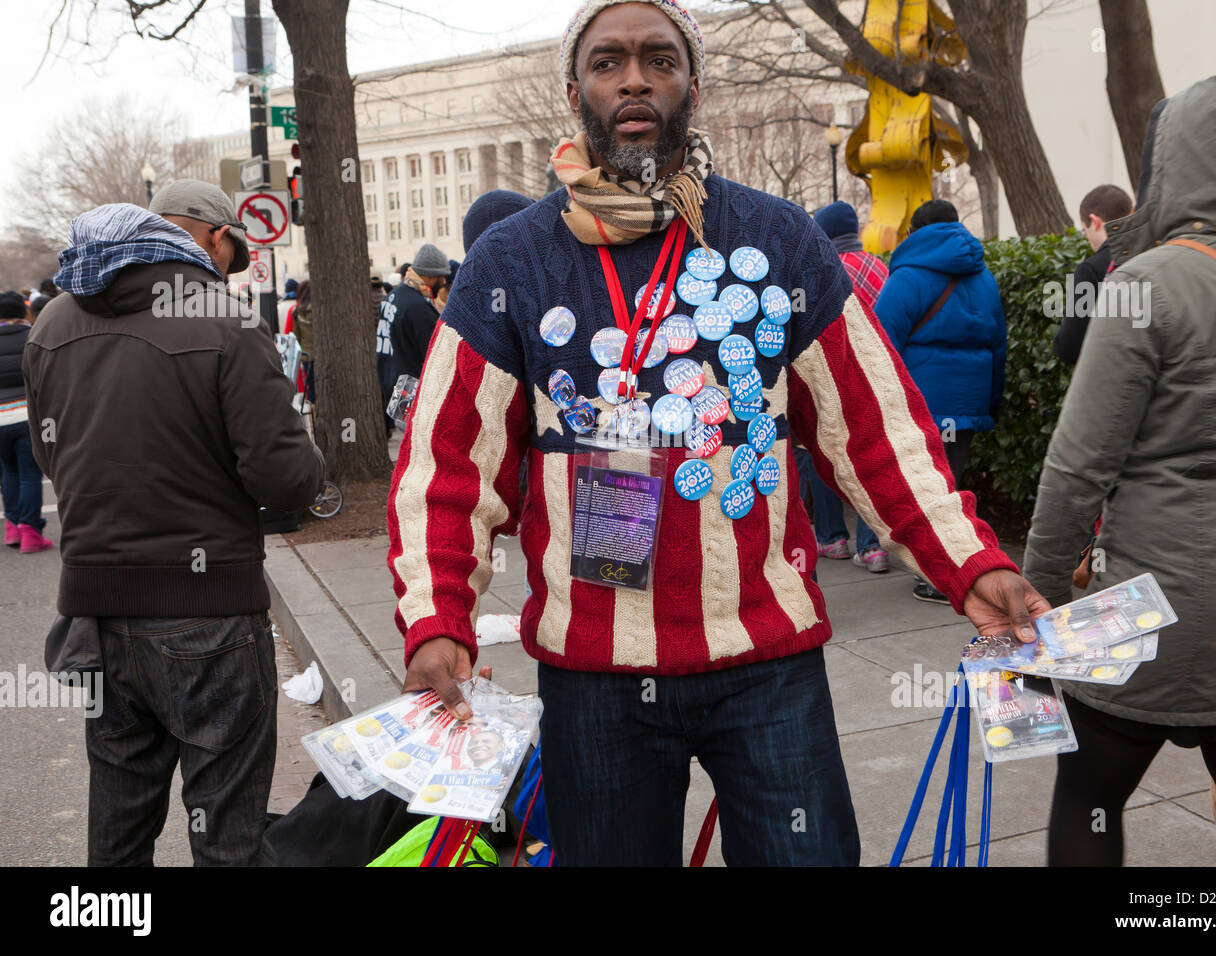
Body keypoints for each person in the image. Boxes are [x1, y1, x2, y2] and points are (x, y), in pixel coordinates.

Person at [388, 0, 1047, 867]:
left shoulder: (778, 240)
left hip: (765, 663)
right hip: (594, 679)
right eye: (608, 61)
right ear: (575, 87)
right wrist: (437, 617)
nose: (634, 78)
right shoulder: (511, 262)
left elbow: (877, 430)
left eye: (659, 59)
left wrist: (972, 563)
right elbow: (445, 465)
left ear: (692, 84)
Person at [1022, 72, 1216, 867]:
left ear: (1175, 159)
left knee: (1089, 800)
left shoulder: (1145, 286)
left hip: (1142, 610)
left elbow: (1077, 470)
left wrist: (1035, 604)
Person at [24, 181, 324, 865]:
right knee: (228, 830)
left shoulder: (54, 323)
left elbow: (52, 453)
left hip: (98, 615)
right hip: (209, 611)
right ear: (210, 240)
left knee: (119, 824)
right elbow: (284, 479)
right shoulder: (224, 317)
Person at [872, 199, 1006, 604]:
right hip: (968, 400)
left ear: (914, 233)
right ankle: (962, 570)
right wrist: (991, 402)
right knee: (953, 488)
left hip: (921, 401)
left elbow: (881, 342)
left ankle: (939, 577)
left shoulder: (909, 276)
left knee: (926, 491)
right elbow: (998, 345)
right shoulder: (984, 277)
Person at [796, 199, 892, 572]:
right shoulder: (881, 267)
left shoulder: (823, 269)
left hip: (832, 379)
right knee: (870, 458)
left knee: (826, 456)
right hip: (874, 378)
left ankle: (832, 537)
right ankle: (873, 547)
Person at [1052, 184, 1134, 366]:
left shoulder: (1090, 270)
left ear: (1094, 222)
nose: (1087, 237)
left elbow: (1069, 347)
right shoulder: (1149, 255)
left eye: (1085, 230)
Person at [0, 291, 52, 552]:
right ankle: (30, 532)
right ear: (24, 312)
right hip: (26, 416)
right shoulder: (32, 336)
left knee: (8, 472)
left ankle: (12, 525)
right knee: (30, 474)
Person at [386, 243, 451, 386]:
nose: (444, 282)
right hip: (412, 391)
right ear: (432, 276)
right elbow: (436, 357)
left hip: (391, 386)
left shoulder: (393, 297)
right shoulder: (418, 307)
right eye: (442, 276)